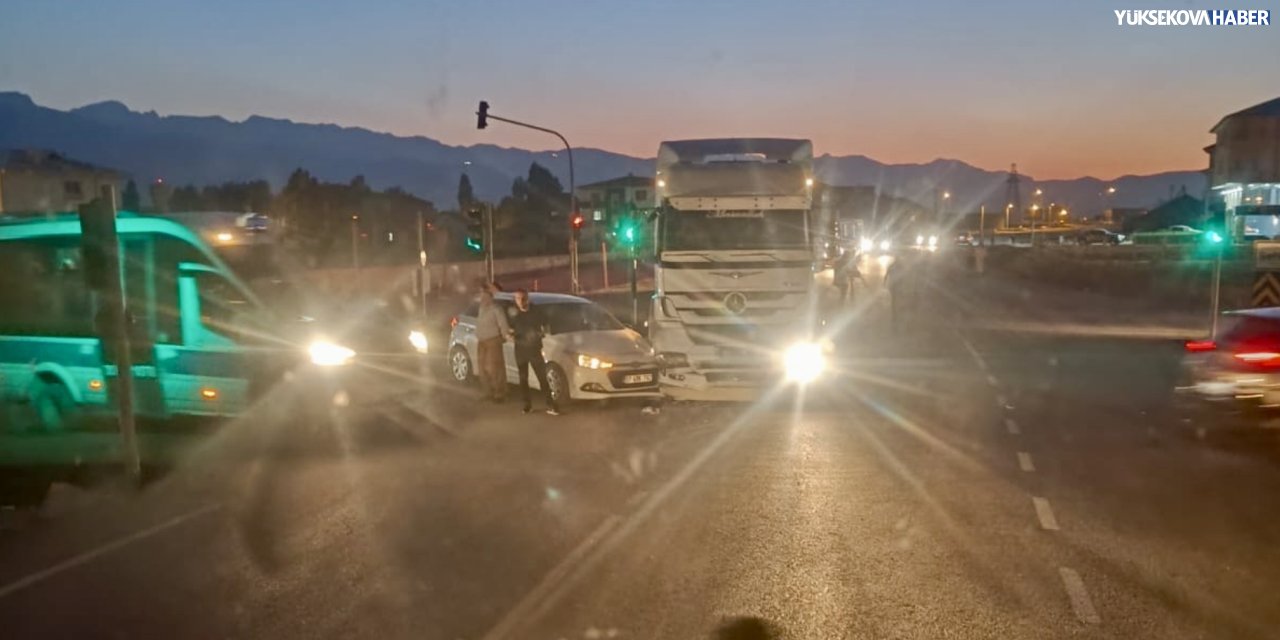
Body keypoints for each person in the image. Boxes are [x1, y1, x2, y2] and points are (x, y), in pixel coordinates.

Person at [509, 289, 560, 415]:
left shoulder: (536, 311)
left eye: (522, 298)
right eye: (517, 299)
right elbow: (509, 330)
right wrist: (510, 336)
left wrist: (540, 333)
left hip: (534, 350)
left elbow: (547, 326)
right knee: (523, 379)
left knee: (542, 377)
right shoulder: (514, 314)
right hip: (520, 350)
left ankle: (550, 404)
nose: (520, 301)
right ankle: (527, 405)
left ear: (527, 298)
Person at [474, 288, 511, 402]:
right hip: (482, 341)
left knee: (495, 368)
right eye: (481, 297)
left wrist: (505, 336)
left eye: (485, 297)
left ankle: (500, 393)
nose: (482, 299)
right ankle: (488, 392)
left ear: (490, 298)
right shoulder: (481, 309)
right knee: (482, 368)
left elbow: (503, 324)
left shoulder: (496, 309)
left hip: (493, 341)